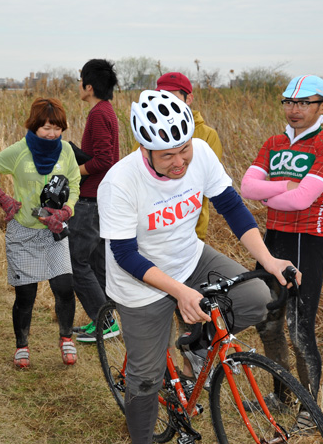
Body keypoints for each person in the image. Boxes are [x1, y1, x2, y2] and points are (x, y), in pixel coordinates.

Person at [98, 90, 300, 443]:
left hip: (190, 257)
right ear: (144, 150)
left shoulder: (201, 154)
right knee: (145, 378)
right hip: (140, 282)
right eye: (167, 156)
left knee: (255, 298)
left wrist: (269, 261)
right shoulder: (119, 183)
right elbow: (126, 255)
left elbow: (233, 208)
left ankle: (193, 345)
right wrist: (179, 293)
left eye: (184, 149)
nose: (180, 162)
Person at [241, 75, 323, 401]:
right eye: (288, 102)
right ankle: (280, 396)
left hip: (307, 243)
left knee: (300, 333)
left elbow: (303, 200)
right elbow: (247, 188)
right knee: (267, 323)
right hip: (271, 242)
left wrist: (269, 194)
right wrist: (284, 189)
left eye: (303, 103)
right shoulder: (273, 143)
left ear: (322, 106)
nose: (294, 109)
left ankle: (309, 411)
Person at [0, 97, 81, 368]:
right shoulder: (19, 151)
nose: (52, 133)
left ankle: (66, 338)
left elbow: (75, 182)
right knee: (26, 295)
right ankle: (21, 345)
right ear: (35, 125)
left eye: (57, 127)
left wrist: (66, 211)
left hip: (54, 231)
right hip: (23, 232)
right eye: (47, 127)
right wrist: (1, 197)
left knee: (65, 287)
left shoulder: (66, 152)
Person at [154, 72, 224, 377]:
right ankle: (163, 371)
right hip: (157, 233)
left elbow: (203, 184)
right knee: (159, 306)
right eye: (161, 99)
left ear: (189, 98)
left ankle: (190, 370)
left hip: (192, 232)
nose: (166, 104)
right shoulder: (151, 129)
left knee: (191, 306)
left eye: (173, 97)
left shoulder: (206, 135)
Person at [69, 58, 121, 344]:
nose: (79, 86)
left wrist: (73, 172)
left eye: (81, 82)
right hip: (101, 197)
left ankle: (105, 321)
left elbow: (104, 159)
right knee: (97, 261)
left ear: (89, 86)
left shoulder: (98, 114)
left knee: (76, 262)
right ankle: (103, 319)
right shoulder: (106, 111)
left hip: (90, 199)